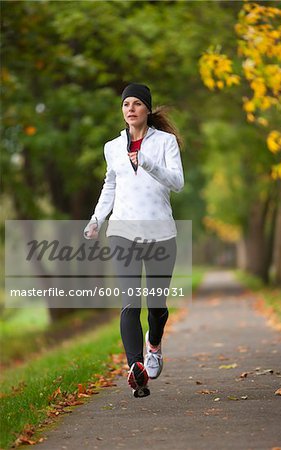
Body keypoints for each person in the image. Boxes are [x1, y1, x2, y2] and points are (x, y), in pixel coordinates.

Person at [84, 83, 184, 398]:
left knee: (155, 306)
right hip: (122, 232)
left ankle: (153, 344)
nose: (130, 109)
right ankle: (136, 369)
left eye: (137, 103)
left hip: (160, 232)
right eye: (126, 103)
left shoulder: (165, 142)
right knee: (130, 302)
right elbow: (110, 185)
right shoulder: (112, 147)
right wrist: (97, 218)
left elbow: (178, 183)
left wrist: (148, 163)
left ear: (147, 109)